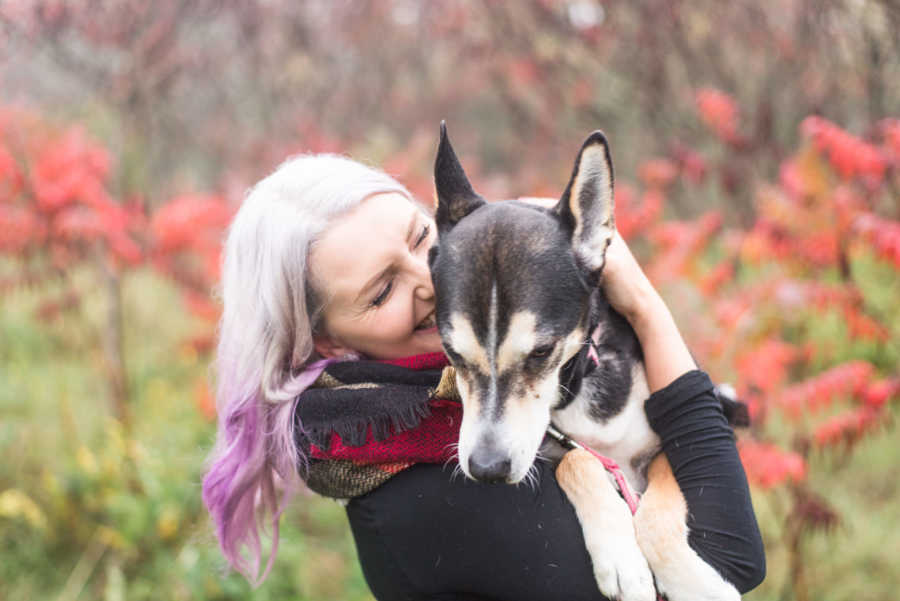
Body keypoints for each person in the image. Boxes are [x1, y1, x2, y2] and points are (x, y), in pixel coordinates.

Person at [202, 153, 766, 600]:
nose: (427, 281)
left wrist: (633, 297)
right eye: (381, 292)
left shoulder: (502, 355)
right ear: (325, 339)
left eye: (422, 240)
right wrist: (644, 303)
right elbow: (731, 556)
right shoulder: (426, 488)